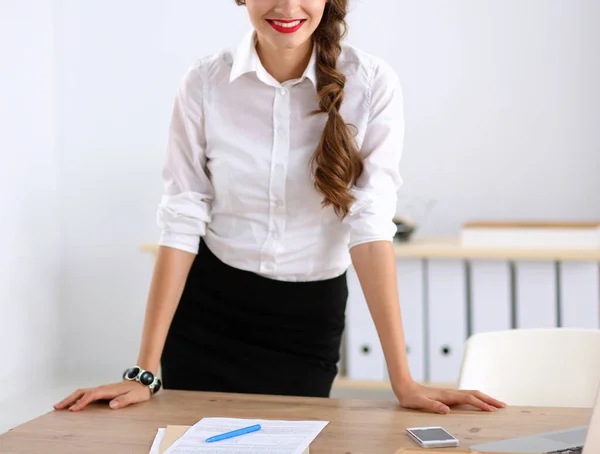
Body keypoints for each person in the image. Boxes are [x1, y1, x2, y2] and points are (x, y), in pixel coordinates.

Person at [54, 0, 506, 415]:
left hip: (306, 318)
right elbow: (181, 217)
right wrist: (145, 372)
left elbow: (370, 227)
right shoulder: (205, 81)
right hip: (208, 308)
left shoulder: (370, 83)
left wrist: (402, 380)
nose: (287, 6)